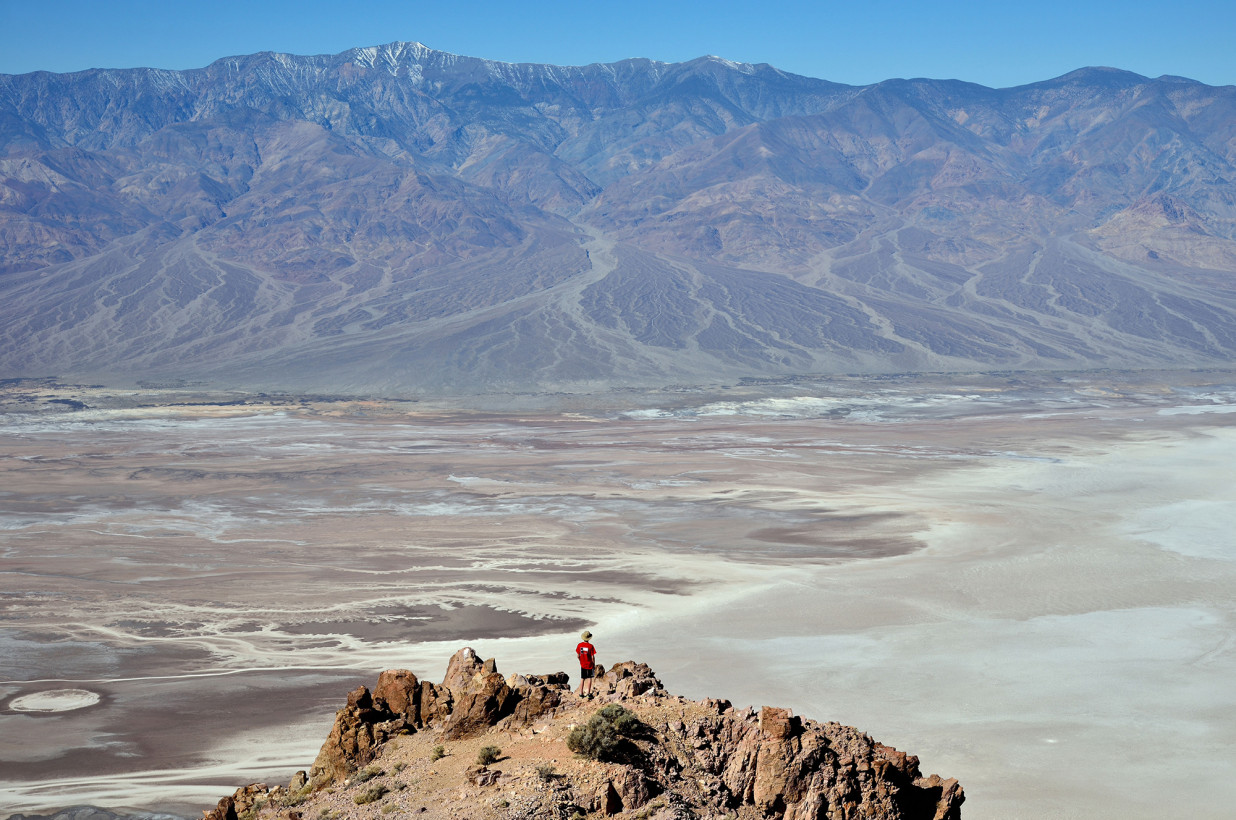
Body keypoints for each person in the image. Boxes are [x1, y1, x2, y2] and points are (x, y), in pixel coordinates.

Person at [576, 630, 597, 698]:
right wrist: (594, 664)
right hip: (590, 664)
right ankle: (588, 693)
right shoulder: (590, 646)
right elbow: (592, 657)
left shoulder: (579, 645)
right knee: (589, 678)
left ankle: (581, 694)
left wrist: (580, 661)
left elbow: (578, 656)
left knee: (582, 678)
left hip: (583, 664)